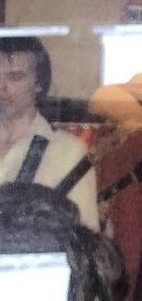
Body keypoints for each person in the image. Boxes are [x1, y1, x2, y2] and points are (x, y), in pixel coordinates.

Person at [0, 37, 98, 230]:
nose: (1, 87)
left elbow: (86, 241)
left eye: (15, 77)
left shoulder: (68, 152)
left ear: (39, 83)